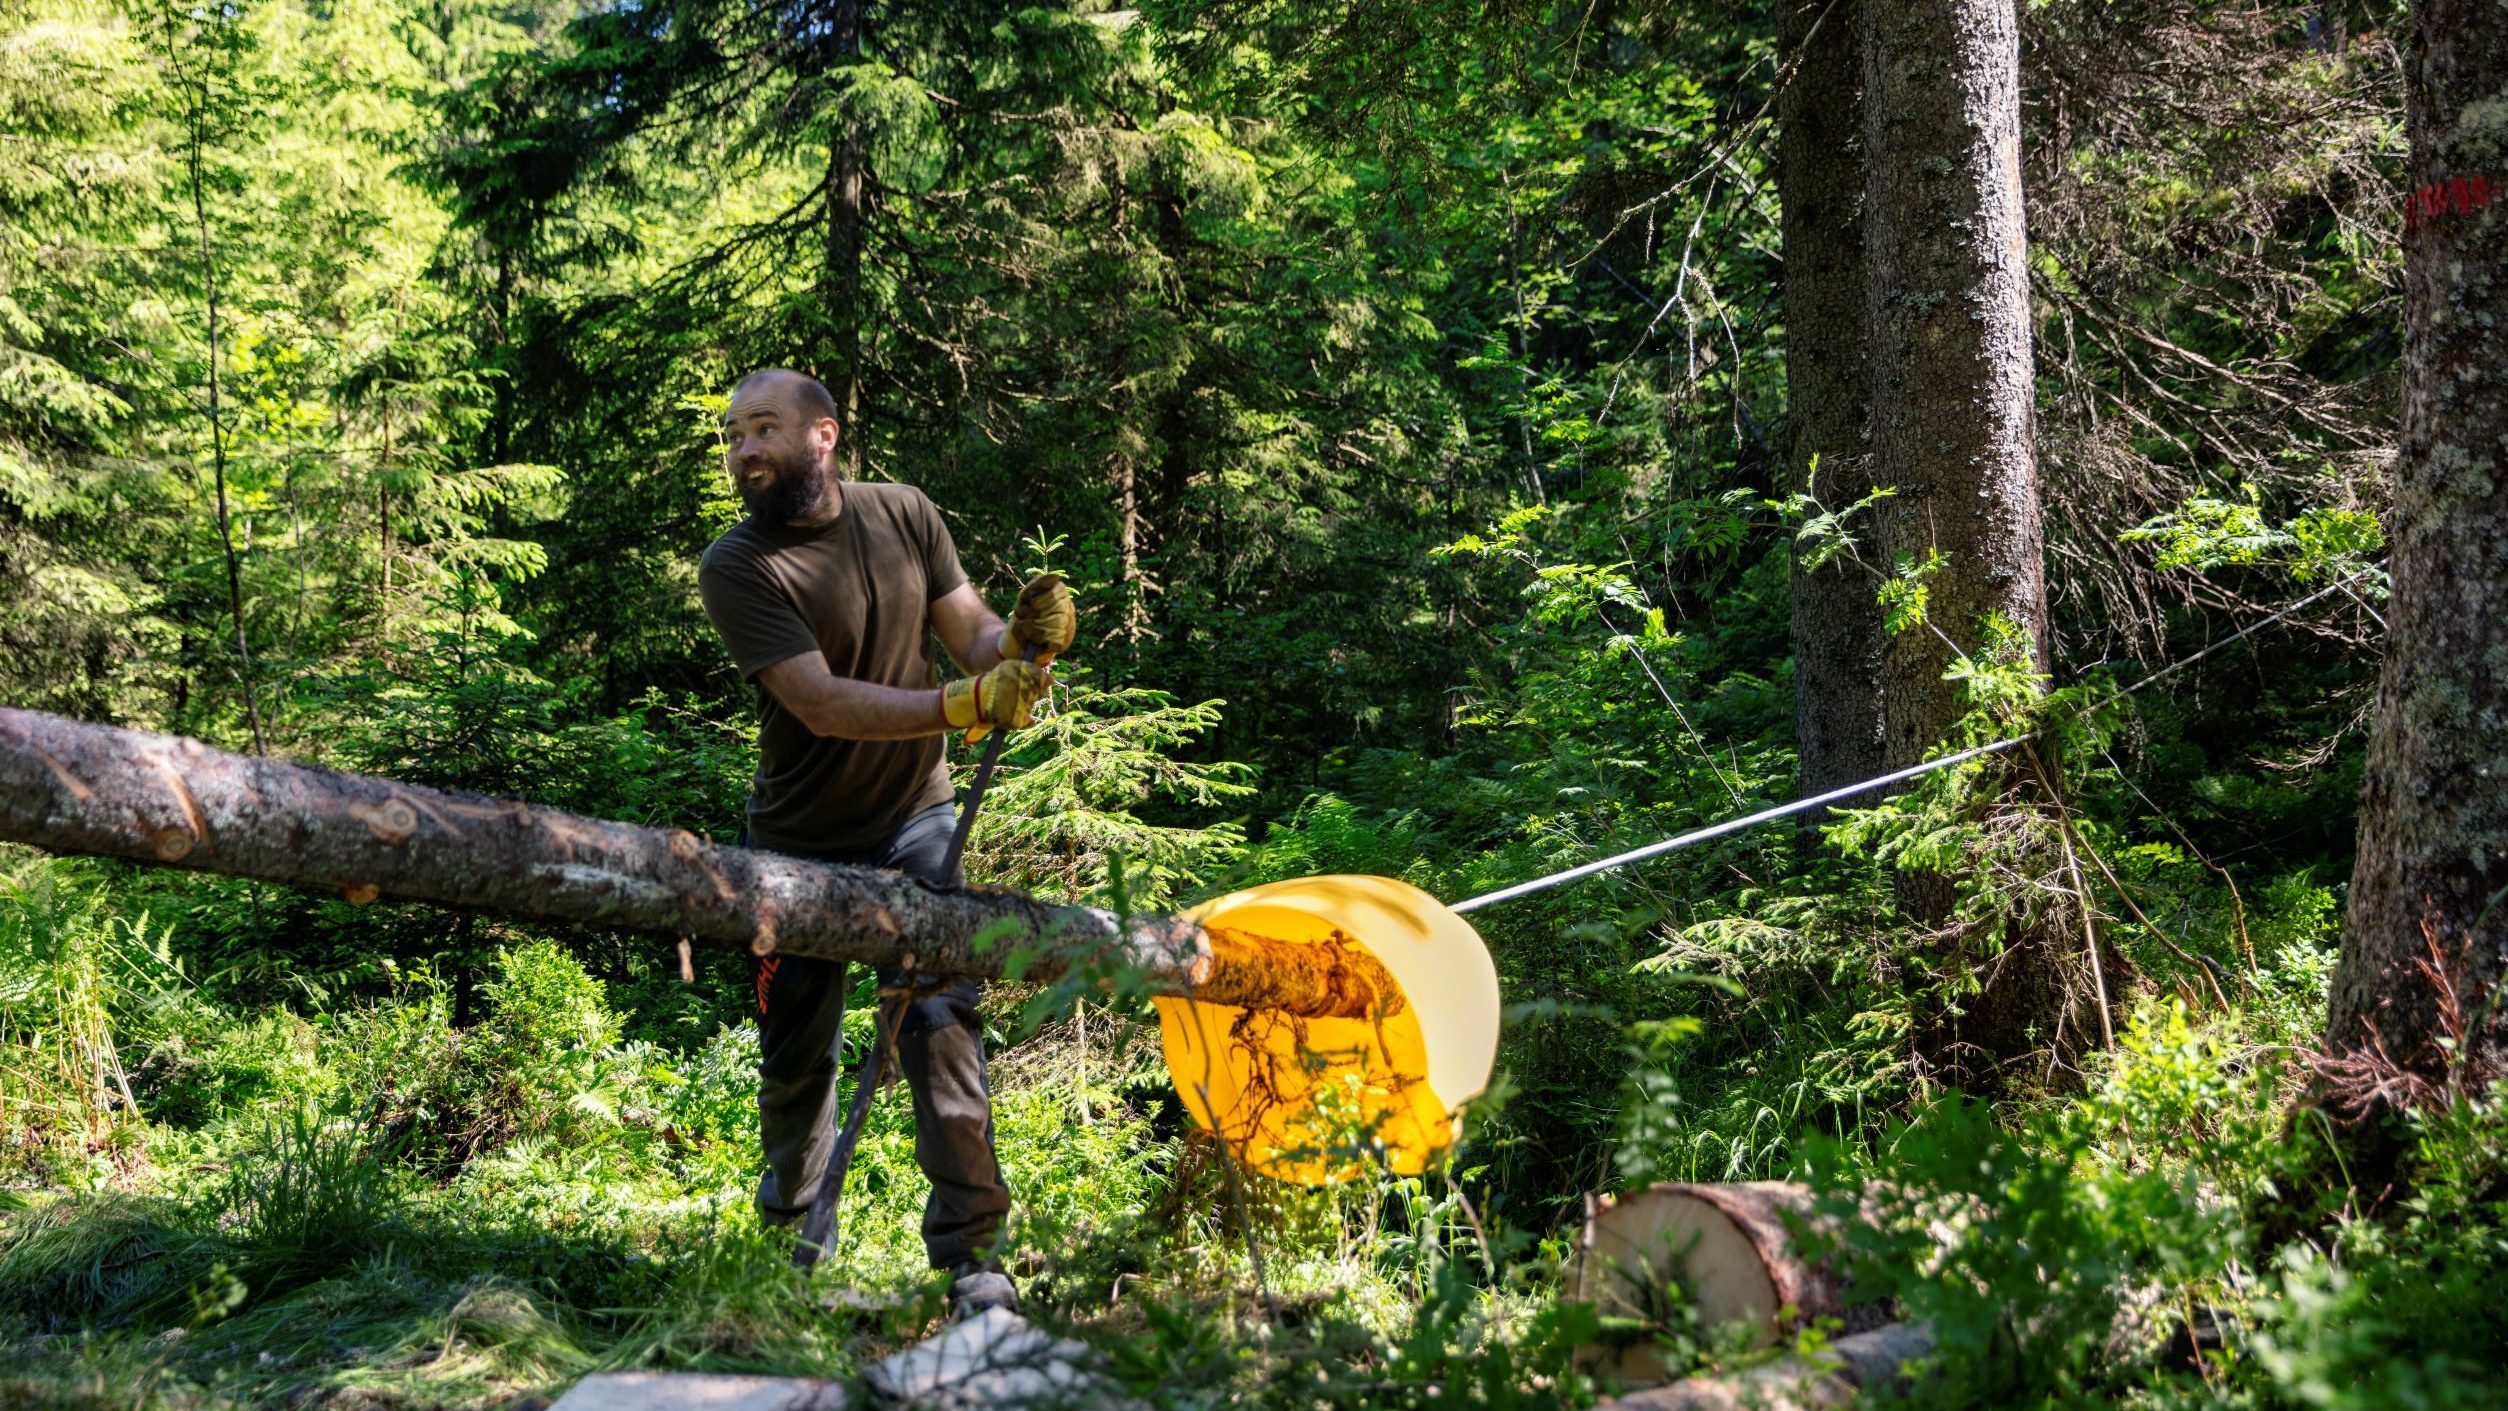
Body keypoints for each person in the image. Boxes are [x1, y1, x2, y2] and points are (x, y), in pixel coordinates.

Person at [695, 368, 1075, 1317]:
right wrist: (965, 702)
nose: (744, 451)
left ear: (823, 435)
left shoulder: (904, 512)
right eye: (734, 436)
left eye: (763, 430)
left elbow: (972, 631)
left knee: (942, 1021)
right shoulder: (736, 565)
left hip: (914, 816)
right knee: (796, 1055)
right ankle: (790, 1251)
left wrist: (1017, 650)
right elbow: (821, 701)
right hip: (794, 843)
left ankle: (975, 1259)